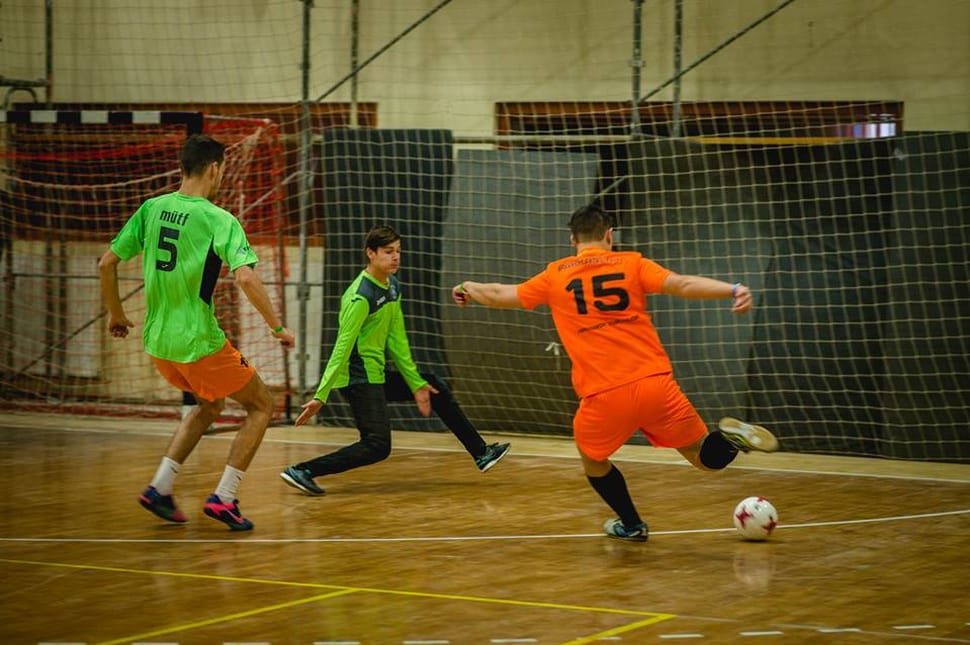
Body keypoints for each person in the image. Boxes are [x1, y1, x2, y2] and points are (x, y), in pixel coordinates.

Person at [451, 204, 778, 542]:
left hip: (604, 394)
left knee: (593, 460)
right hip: (655, 384)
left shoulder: (555, 275)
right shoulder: (632, 263)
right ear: (609, 235)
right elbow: (682, 284)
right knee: (704, 459)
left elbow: (501, 294)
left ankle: (632, 524)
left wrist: (466, 286)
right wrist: (733, 289)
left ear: (572, 240)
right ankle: (729, 440)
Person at [98, 134, 295, 531]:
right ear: (215, 169)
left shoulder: (152, 208)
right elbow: (246, 278)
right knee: (262, 405)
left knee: (209, 406)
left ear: (183, 167)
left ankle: (160, 488)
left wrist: (116, 314)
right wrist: (277, 327)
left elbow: (106, 263)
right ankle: (225, 497)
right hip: (198, 341)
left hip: (158, 342)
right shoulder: (219, 219)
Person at [280, 224, 509, 496]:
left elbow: (396, 339)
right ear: (371, 253)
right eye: (388, 252)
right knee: (377, 445)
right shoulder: (360, 296)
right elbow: (342, 346)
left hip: (374, 373)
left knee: (433, 386)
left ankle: (481, 453)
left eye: (398, 251)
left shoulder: (392, 286)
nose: (396, 257)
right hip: (356, 377)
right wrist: (321, 395)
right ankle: (303, 470)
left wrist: (415, 383)